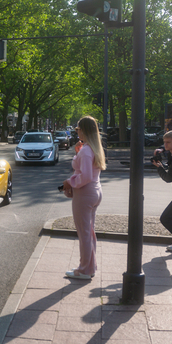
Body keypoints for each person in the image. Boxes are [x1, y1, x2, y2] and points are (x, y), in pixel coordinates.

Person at [62, 116, 107, 279]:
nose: (77, 131)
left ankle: (84, 270)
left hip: (85, 194)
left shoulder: (87, 151)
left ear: (85, 130)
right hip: (95, 192)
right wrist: (78, 153)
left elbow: (85, 176)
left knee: (84, 233)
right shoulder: (92, 148)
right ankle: (90, 267)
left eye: (78, 128)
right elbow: (88, 172)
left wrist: (69, 181)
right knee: (89, 232)